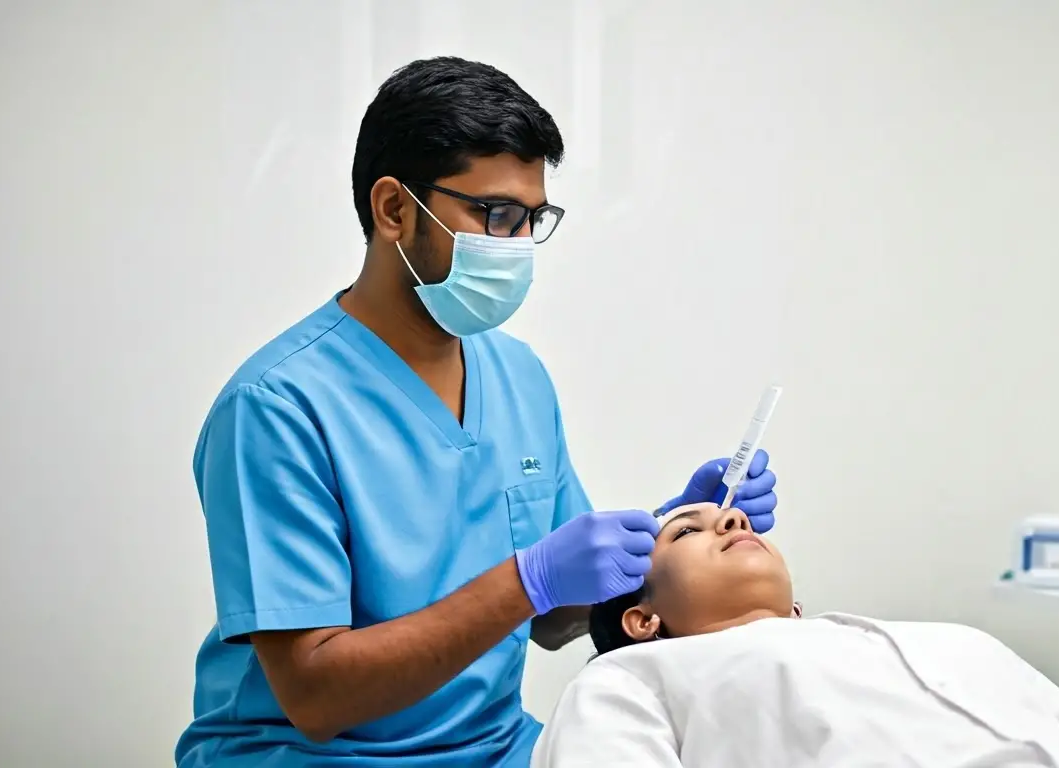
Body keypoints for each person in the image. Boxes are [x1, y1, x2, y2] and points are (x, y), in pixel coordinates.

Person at [174, 57, 780, 768]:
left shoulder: (518, 376)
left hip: (497, 750)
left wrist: (662, 543)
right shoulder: (276, 409)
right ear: (394, 210)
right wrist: (529, 578)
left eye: (533, 220)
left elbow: (554, 619)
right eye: (496, 215)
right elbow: (315, 696)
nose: (518, 246)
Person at [533, 503, 1059, 768]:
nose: (733, 519)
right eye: (686, 530)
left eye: (731, 518)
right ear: (642, 619)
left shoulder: (947, 643)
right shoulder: (629, 680)